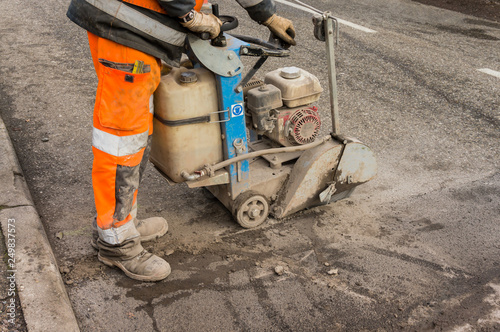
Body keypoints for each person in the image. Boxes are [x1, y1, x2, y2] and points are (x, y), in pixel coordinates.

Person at [66, 0, 296, 282]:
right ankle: (116, 242)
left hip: (132, 22)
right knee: (122, 140)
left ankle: (123, 223)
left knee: (138, 130)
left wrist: (267, 15)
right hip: (124, 24)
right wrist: (187, 14)